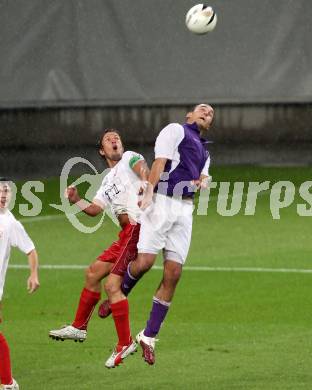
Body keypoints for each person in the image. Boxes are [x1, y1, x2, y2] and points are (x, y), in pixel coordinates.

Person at [106, 104, 214, 365]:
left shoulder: (205, 151)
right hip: (162, 201)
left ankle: (148, 336)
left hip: (184, 209)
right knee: (144, 263)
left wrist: (203, 182)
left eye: (210, 113)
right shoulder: (175, 130)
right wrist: (150, 189)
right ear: (189, 116)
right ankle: (118, 294)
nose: (206, 113)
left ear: (209, 124)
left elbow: (203, 177)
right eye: (202, 109)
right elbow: (160, 162)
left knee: (174, 273)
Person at [49, 129, 149, 368]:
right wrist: (75, 199)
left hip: (138, 230)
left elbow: (143, 169)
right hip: (125, 235)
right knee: (92, 273)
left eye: (117, 137)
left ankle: (124, 342)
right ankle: (79, 327)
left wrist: (147, 184)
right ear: (102, 151)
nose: (114, 139)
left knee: (111, 286)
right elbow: (94, 209)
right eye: (108, 139)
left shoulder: (130, 157)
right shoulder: (107, 180)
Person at [0, 178, 40, 389]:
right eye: (0, 190)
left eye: (6, 190)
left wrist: (33, 274)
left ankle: (8, 383)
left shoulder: (10, 223)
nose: (3, 194)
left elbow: (31, 249)